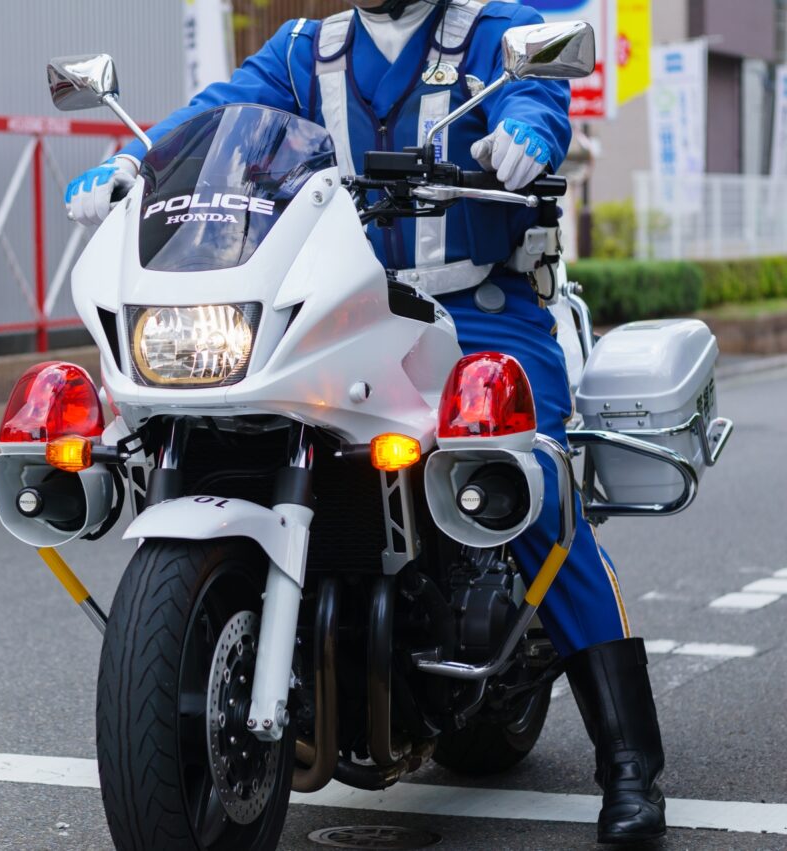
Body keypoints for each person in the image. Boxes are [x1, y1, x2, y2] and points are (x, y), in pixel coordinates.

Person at [64, 0, 666, 844]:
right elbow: (214, 115)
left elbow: (535, 96)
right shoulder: (307, 49)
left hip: (482, 305)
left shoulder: (495, 30)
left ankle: (630, 762)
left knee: (529, 482)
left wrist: (528, 132)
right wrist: (134, 158)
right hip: (349, 309)